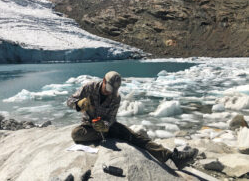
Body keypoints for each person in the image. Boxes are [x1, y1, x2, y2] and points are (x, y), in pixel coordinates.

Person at [67, 71, 198, 170]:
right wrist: (79, 104)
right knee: (75, 134)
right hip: (88, 126)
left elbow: (111, 118)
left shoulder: (115, 97)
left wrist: (105, 126)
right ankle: (101, 134)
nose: (109, 93)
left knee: (136, 138)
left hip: (108, 127)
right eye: (108, 89)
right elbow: (69, 101)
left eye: (113, 91)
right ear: (103, 81)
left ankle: (173, 157)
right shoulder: (89, 87)